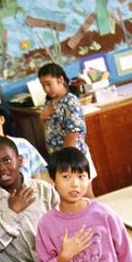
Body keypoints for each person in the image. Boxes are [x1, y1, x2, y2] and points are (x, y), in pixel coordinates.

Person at [36, 148, 132, 262]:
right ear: (52, 180)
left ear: (89, 179)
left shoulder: (104, 214)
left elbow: (126, 254)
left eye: (81, 177)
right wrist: (63, 257)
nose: (75, 184)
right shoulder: (47, 224)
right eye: (66, 177)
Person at [37, 62, 97, 197]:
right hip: (59, 158)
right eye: (43, 85)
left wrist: (65, 159)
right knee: (70, 199)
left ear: (60, 80)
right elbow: (47, 129)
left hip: (73, 157)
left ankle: (101, 218)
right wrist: (42, 118)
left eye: (48, 84)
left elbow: (73, 132)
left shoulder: (70, 101)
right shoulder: (50, 102)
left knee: (86, 195)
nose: (46, 89)